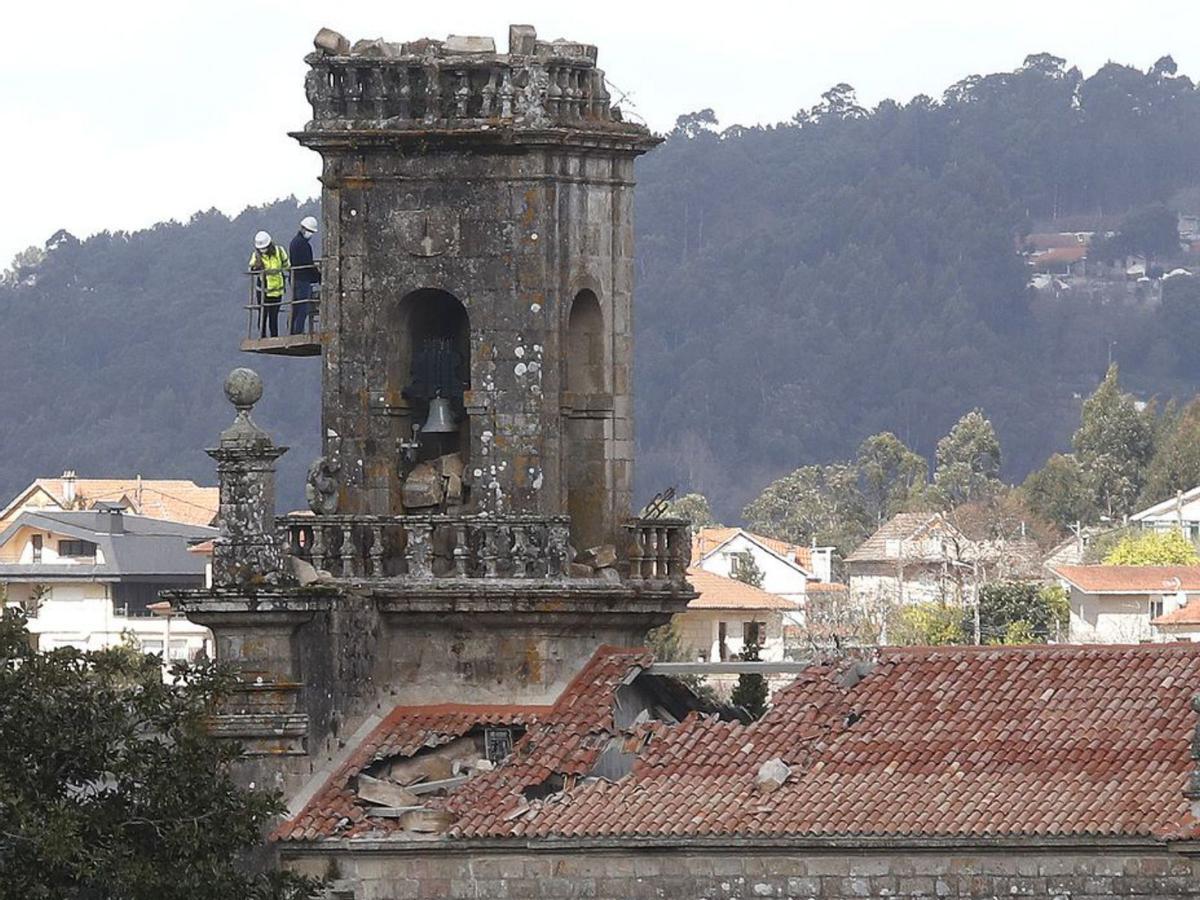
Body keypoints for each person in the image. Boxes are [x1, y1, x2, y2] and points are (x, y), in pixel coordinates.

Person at [248, 231, 289, 338]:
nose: (263, 251)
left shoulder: (279, 251)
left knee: (274, 315)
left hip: (277, 290)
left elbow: (287, 265)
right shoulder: (256, 255)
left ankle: (274, 336)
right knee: (263, 314)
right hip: (263, 290)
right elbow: (251, 268)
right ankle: (262, 336)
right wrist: (256, 268)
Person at [289, 215, 321, 335]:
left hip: (295, 279)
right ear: (304, 229)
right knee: (303, 307)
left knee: (296, 307)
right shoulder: (303, 245)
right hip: (302, 280)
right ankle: (298, 331)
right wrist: (318, 276)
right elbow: (308, 263)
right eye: (310, 231)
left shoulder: (294, 242)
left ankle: (293, 330)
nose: (311, 234)